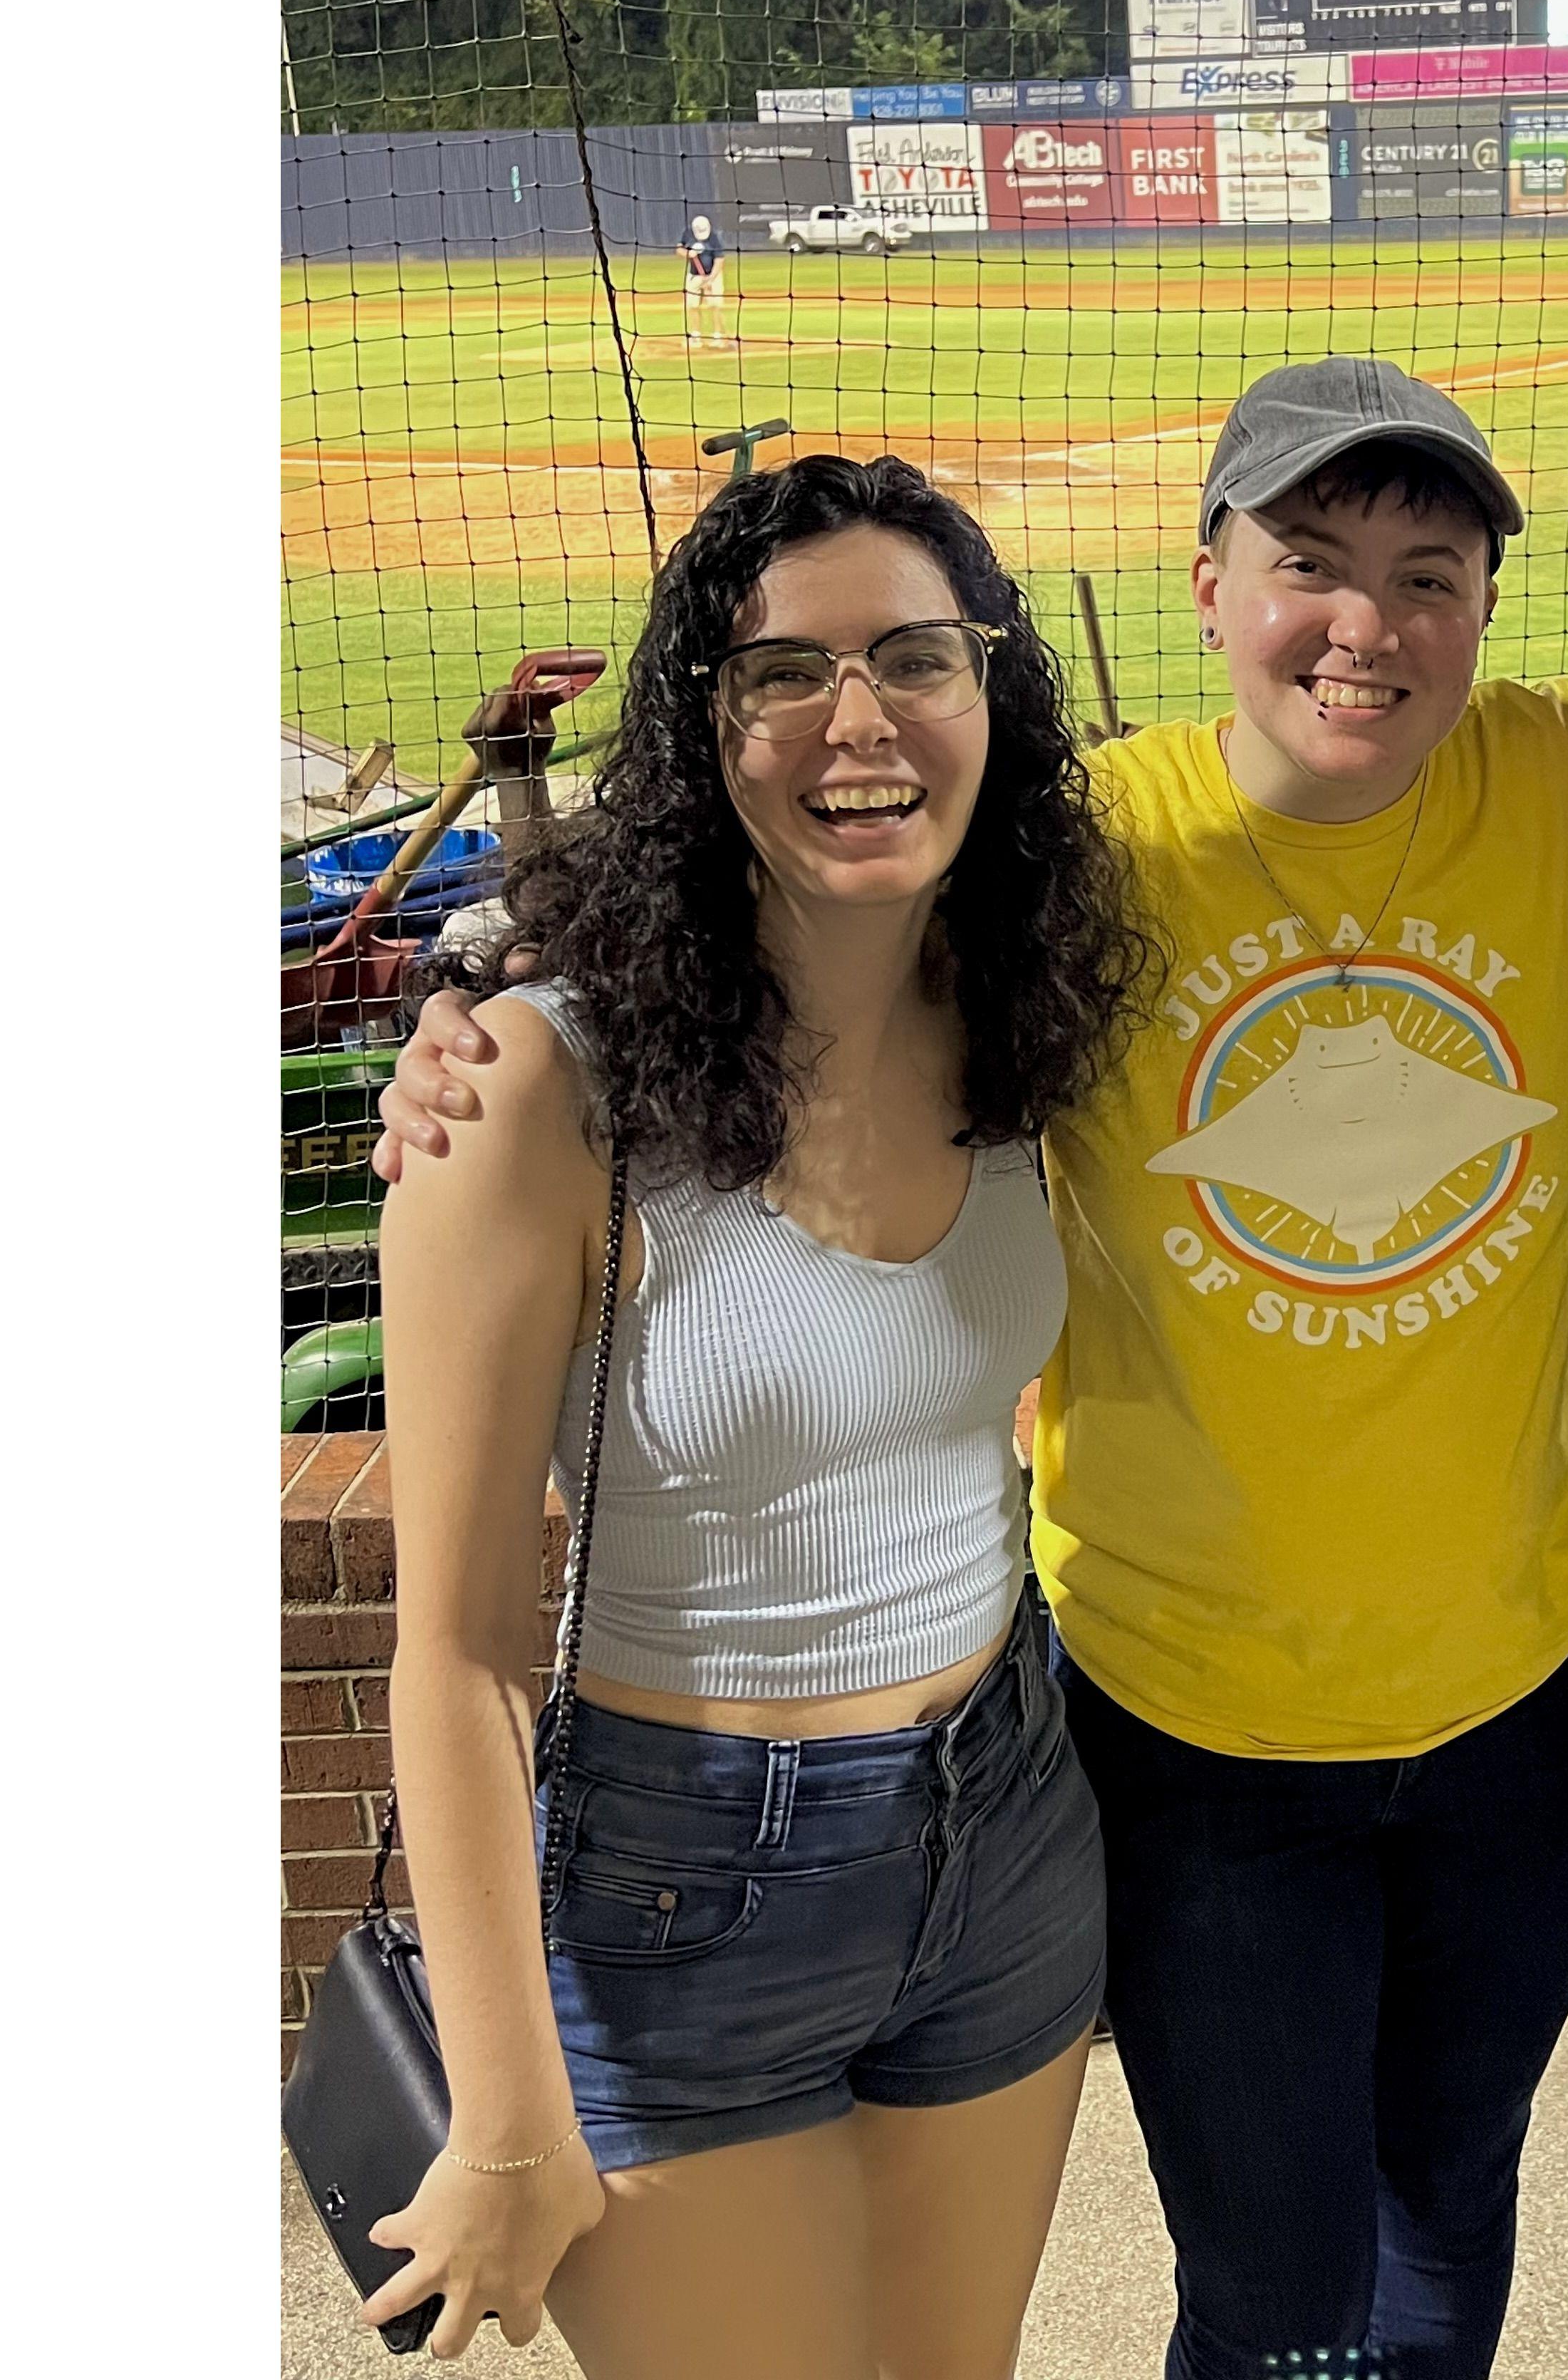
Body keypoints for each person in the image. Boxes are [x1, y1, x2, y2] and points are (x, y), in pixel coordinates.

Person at [374, 361, 1568, 2380]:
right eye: (1309, 565)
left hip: (1536, 1700)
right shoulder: (1078, 858)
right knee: (1271, 2297)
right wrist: (488, 1009)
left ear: (1490, 617)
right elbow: (792, 881)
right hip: (1192, 1733)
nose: (1368, 624)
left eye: (1430, 574)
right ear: (1205, 585)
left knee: (1449, 2225)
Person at [361, 455, 1151, 2373]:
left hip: (1009, 1814)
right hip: (680, 1880)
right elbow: (455, 1652)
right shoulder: (529, 1093)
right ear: (703, 732)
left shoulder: (1035, 1010)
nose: (855, 720)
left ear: (992, 699)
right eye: (780, 671)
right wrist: (505, 2110)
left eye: (913, 658)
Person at [677, 214, 726, 351]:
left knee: (715, 306)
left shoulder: (715, 238)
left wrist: (710, 280)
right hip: (694, 276)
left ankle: (718, 336)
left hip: (713, 275)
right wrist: (687, 254)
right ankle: (696, 336)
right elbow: (679, 248)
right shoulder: (688, 233)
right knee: (693, 306)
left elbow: (719, 260)